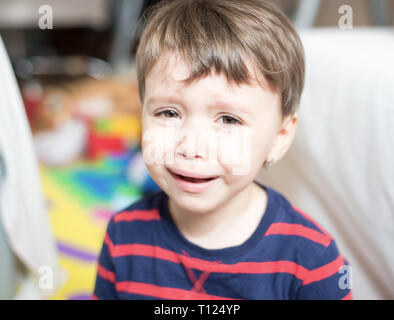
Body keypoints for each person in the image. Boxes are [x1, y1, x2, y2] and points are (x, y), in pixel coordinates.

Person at [93, 0, 352, 300]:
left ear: (279, 136)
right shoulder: (122, 235)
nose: (190, 147)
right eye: (168, 113)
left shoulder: (311, 260)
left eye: (228, 119)